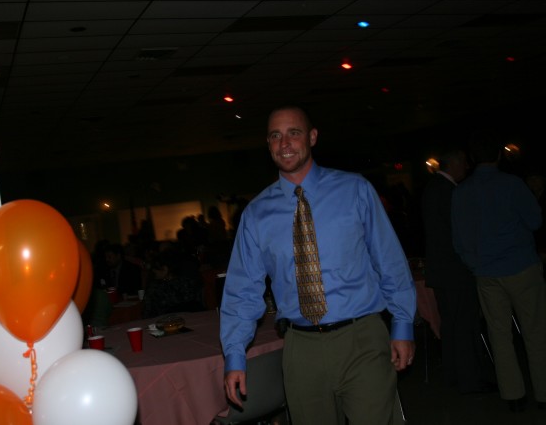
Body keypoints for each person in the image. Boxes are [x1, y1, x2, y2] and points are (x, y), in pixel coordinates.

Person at [219, 104, 416, 424]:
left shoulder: (355, 190)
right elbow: (243, 291)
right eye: (275, 136)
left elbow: (389, 260)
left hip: (362, 338)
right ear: (268, 145)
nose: (284, 143)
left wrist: (403, 324)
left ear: (312, 137)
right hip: (301, 349)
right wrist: (235, 356)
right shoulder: (256, 214)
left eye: (293, 133)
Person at [451, 130, 546, 412]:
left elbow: (459, 238)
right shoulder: (513, 185)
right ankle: (543, 394)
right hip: (521, 268)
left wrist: (476, 263)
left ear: (471, 159)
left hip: (487, 273)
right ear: (499, 155)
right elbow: (535, 220)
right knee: (536, 332)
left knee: (499, 334)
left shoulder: (461, 192)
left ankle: (513, 395)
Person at [421, 146, 494, 394]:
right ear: (453, 163)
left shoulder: (433, 189)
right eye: (463, 161)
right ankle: (470, 379)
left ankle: (455, 376)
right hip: (455, 271)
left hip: (441, 272)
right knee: (464, 325)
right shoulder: (451, 192)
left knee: (451, 325)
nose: (466, 166)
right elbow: (458, 234)